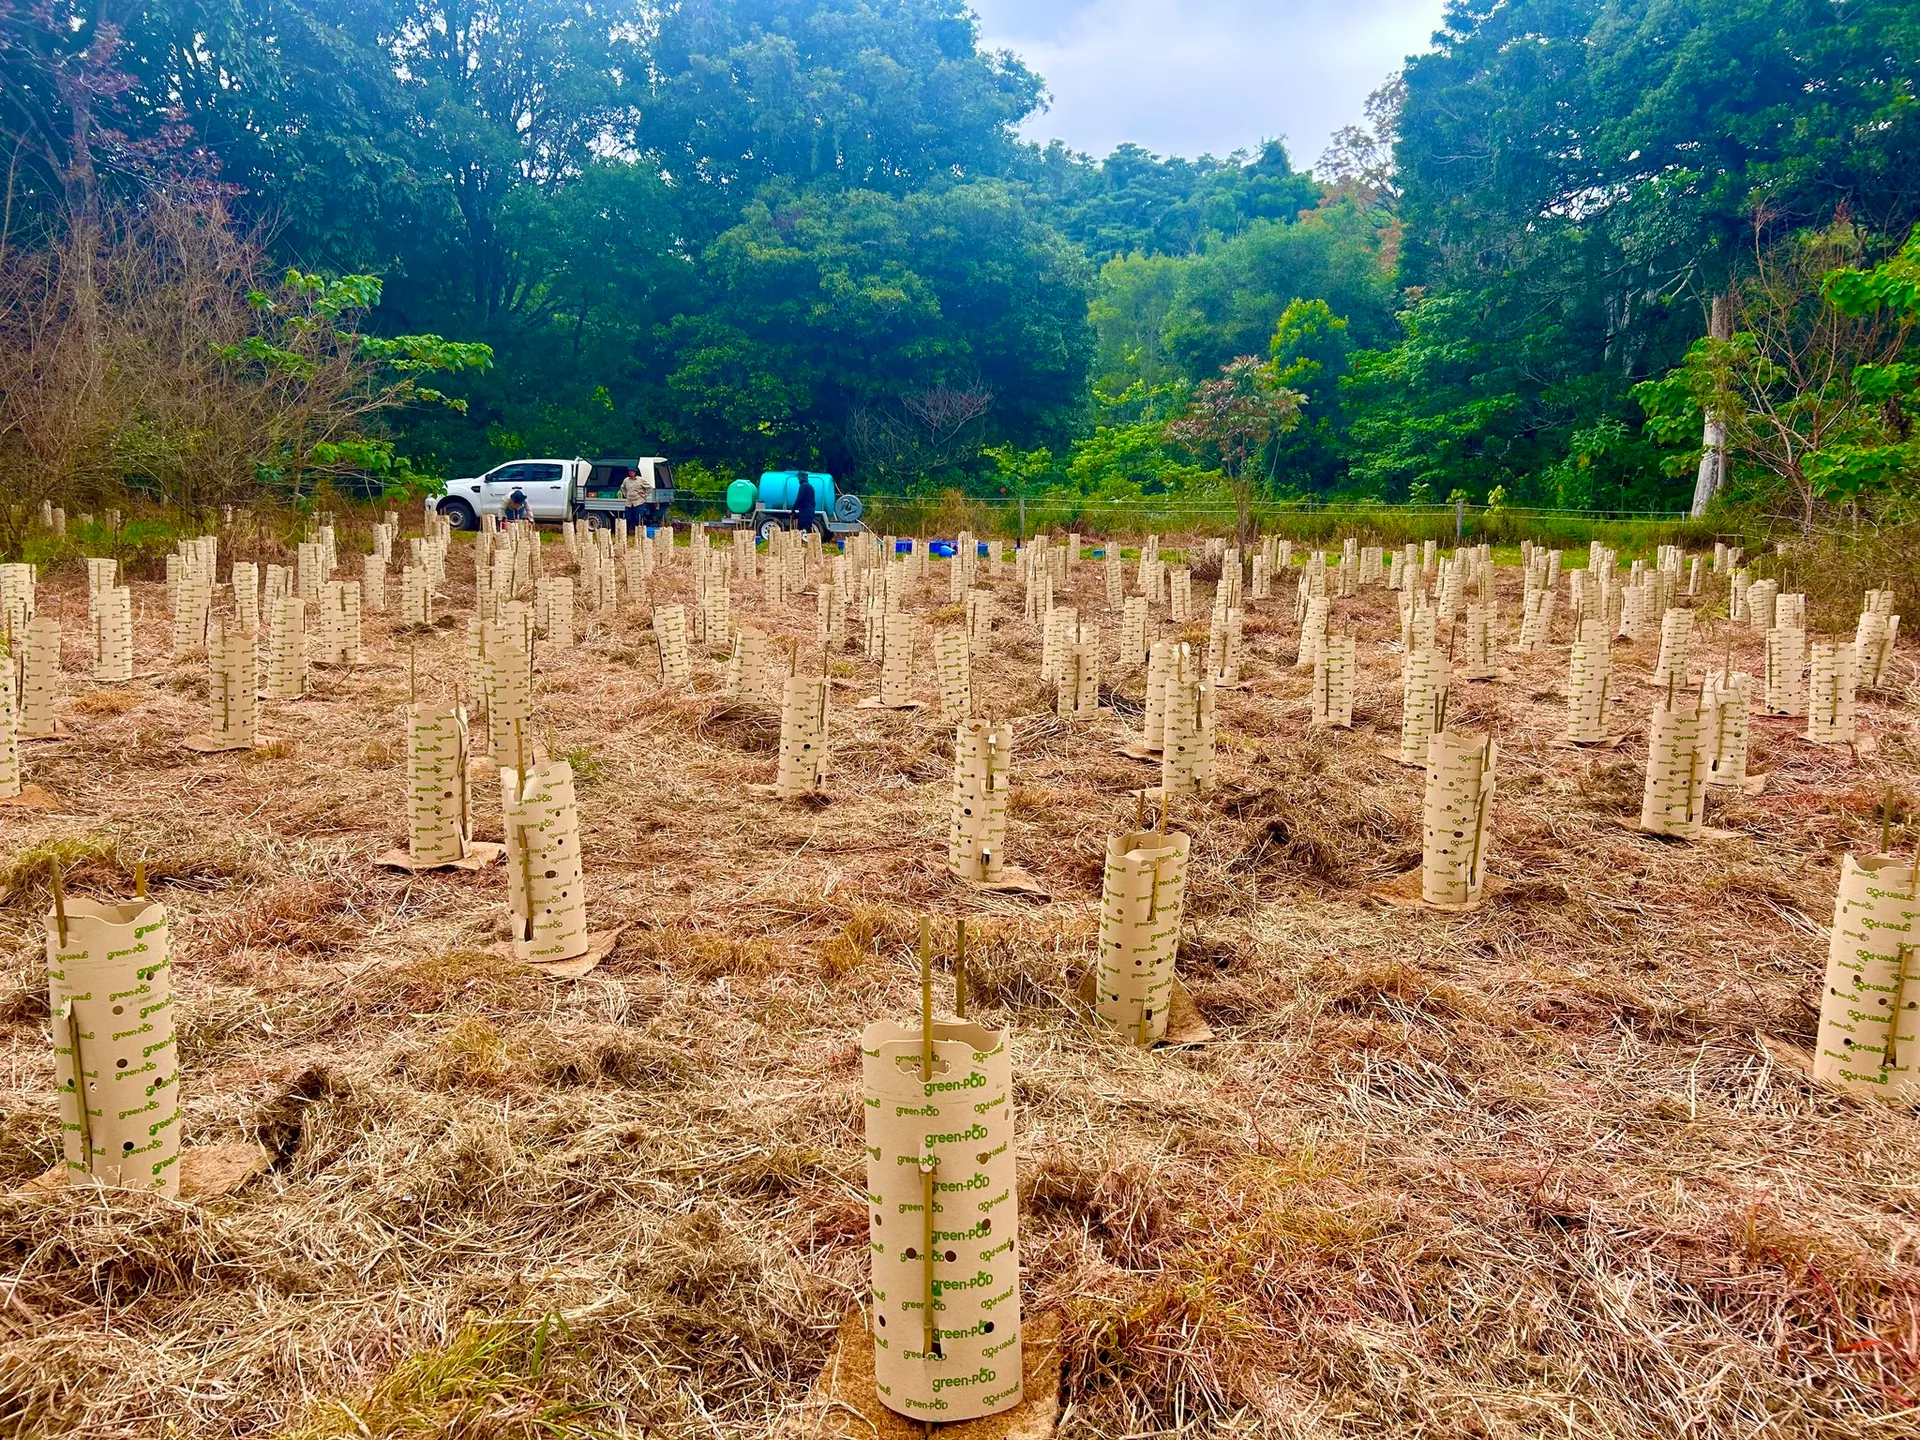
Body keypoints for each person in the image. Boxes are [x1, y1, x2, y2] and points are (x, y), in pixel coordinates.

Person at [621, 464, 652, 531]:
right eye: (629, 471)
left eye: (632, 471)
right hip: (629, 502)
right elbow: (622, 487)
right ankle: (628, 531)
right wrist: (625, 495)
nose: (631, 472)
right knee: (628, 518)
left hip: (639, 502)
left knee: (638, 518)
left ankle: (639, 532)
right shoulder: (626, 480)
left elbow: (650, 488)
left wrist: (645, 495)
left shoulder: (640, 480)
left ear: (635, 472)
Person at [794, 471, 817, 537]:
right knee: (808, 528)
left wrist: (793, 510)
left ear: (801, 478)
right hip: (810, 511)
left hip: (804, 512)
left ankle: (801, 543)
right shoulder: (810, 487)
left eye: (798, 478)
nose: (798, 479)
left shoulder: (803, 487)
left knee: (801, 529)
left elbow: (799, 499)